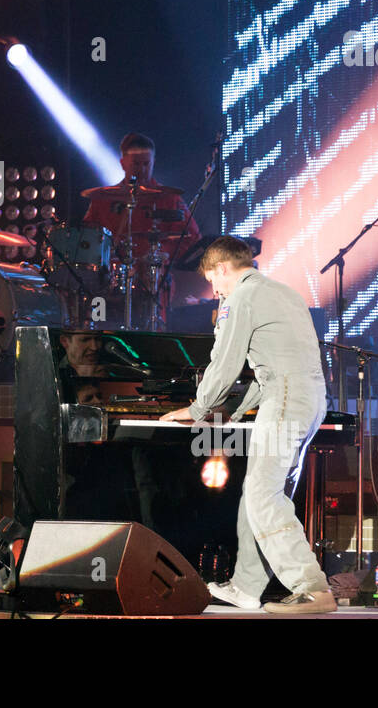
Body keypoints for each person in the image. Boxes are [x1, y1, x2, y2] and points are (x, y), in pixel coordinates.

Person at [161, 236, 335, 615]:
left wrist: (196, 409)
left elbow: (225, 361)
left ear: (222, 269)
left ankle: (313, 589)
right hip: (307, 399)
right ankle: (245, 586)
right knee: (261, 493)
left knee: (262, 495)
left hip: (286, 399)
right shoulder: (284, 292)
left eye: (213, 281)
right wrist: (236, 413)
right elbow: (270, 364)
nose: (215, 290)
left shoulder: (241, 296)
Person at [81, 133, 200, 327]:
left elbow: (191, 238)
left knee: (150, 331)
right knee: (98, 325)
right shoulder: (103, 199)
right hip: (106, 282)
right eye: (136, 164)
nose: (143, 169)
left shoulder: (169, 199)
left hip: (152, 281)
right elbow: (86, 239)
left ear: (153, 162)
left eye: (147, 164)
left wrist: (161, 254)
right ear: (123, 163)